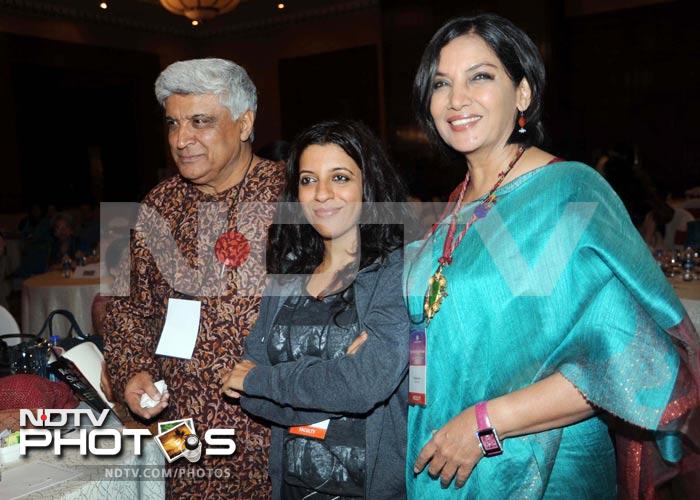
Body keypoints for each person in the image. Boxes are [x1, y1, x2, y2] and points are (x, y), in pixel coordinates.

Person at [404, 13, 700, 498]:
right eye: (441, 83)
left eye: (480, 76)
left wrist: (482, 424)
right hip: (443, 459)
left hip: (537, 468)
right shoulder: (457, 202)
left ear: (522, 93)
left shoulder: (569, 191)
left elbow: (632, 361)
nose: (456, 99)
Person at [103, 58, 285, 498]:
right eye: (172, 124)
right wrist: (133, 371)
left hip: (270, 428)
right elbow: (129, 306)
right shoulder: (161, 204)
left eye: (200, 122)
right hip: (179, 426)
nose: (182, 140)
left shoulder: (290, 198)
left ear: (244, 124)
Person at [221, 120, 411, 499]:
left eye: (339, 178)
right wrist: (334, 383)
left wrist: (266, 381)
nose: (322, 194)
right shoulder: (286, 277)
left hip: (369, 490)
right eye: (308, 180)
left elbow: (364, 385)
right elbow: (242, 387)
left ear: (368, 186)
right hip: (292, 488)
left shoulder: (395, 273)